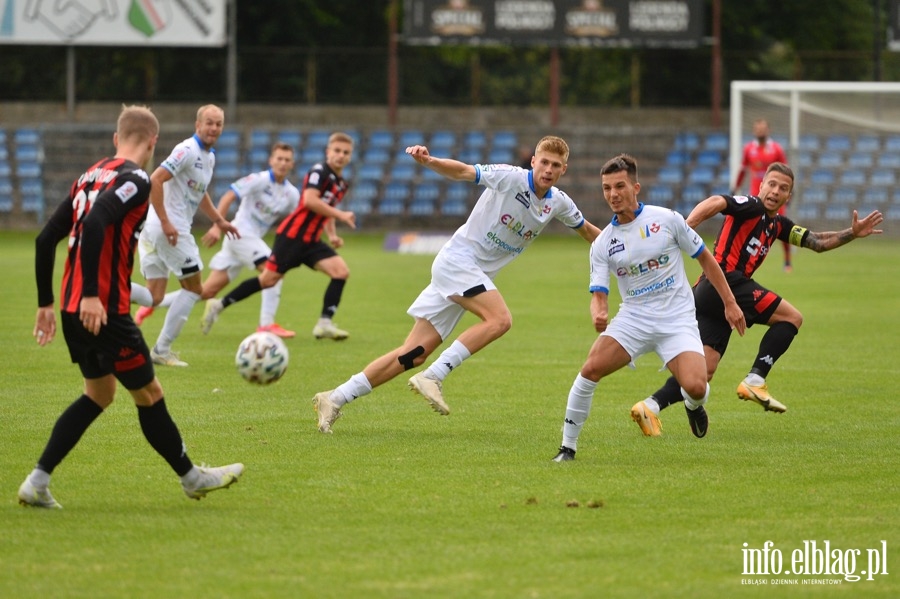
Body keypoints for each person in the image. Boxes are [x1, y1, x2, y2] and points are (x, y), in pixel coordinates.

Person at [19, 105, 243, 509]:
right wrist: (91, 294)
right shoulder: (135, 179)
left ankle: (37, 482)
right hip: (102, 309)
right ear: (154, 141)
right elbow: (97, 223)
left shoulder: (89, 175)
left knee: (99, 394)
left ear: (115, 138)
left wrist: (45, 303)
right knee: (149, 392)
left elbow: (44, 239)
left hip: (74, 309)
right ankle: (192, 477)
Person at [312, 135, 602, 434]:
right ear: (533, 161)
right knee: (500, 320)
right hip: (458, 262)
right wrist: (430, 161)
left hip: (468, 274)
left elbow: (591, 233)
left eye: (556, 165)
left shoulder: (558, 202)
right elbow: (464, 171)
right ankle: (435, 375)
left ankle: (334, 397)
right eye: (544, 162)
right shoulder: (510, 177)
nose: (548, 169)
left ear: (563, 169)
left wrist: (623, 242)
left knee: (414, 352)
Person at [631, 162, 884, 437]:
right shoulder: (751, 206)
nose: (775, 191)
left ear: (789, 196)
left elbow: (817, 241)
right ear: (761, 185)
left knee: (702, 375)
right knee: (792, 317)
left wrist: (852, 233)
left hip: (709, 293)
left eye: (783, 188)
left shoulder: (777, 225)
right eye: (771, 184)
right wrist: (686, 226)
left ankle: (652, 406)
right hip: (726, 281)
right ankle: (756, 378)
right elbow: (717, 202)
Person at [550, 154, 746, 462]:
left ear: (636, 187)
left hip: (676, 319)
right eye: (606, 188)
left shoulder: (667, 219)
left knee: (696, 386)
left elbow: (706, 259)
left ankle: (694, 406)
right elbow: (599, 293)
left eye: (619, 186)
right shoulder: (603, 243)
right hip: (634, 319)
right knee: (590, 369)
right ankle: (567, 448)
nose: (613, 194)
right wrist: (598, 311)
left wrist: (730, 303)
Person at [134, 142, 301, 338]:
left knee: (204, 291)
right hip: (240, 234)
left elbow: (297, 218)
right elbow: (230, 195)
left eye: (287, 160)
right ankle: (266, 324)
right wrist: (217, 226)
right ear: (271, 160)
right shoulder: (259, 180)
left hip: (246, 243)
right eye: (279, 158)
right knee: (274, 272)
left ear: (292, 164)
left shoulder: (291, 194)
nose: (282, 163)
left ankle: (155, 303)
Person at [200, 132, 356, 340]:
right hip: (293, 237)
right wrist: (342, 215)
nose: (341, 155)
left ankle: (324, 324)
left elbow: (325, 210)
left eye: (345, 153)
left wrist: (333, 235)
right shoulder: (320, 171)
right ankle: (219, 305)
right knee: (268, 280)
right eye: (337, 150)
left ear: (350, 156)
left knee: (341, 272)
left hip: (311, 241)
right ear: (328, 152)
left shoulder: (341, 184)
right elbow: (310, 201)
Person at [130, 104, 240, 367]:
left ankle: (111, 291)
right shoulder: (187, 150)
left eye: (218, 124)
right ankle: (162, 349)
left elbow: (199, 193)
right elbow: (155, 179)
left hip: (155, 229)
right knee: (194, 289)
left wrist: (219, 221)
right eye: (209, 123)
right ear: (197, 125)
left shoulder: (208, 157)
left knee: (155, 295)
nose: (214, 128)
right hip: (170, 230)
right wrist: (167, 223)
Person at [732, 118, 792, 270]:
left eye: (763, 128)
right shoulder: (748, 149)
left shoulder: (776, 149)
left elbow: (786, 173)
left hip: (775, 197)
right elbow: (742, 170)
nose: (760, 131)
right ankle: (744, 258)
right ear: (754, 131)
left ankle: (787, 260)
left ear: (768, 130)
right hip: (757, 196)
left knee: (781, 226)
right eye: (758, 129)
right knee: (748, 226)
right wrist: (736, 187)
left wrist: (790, 191)